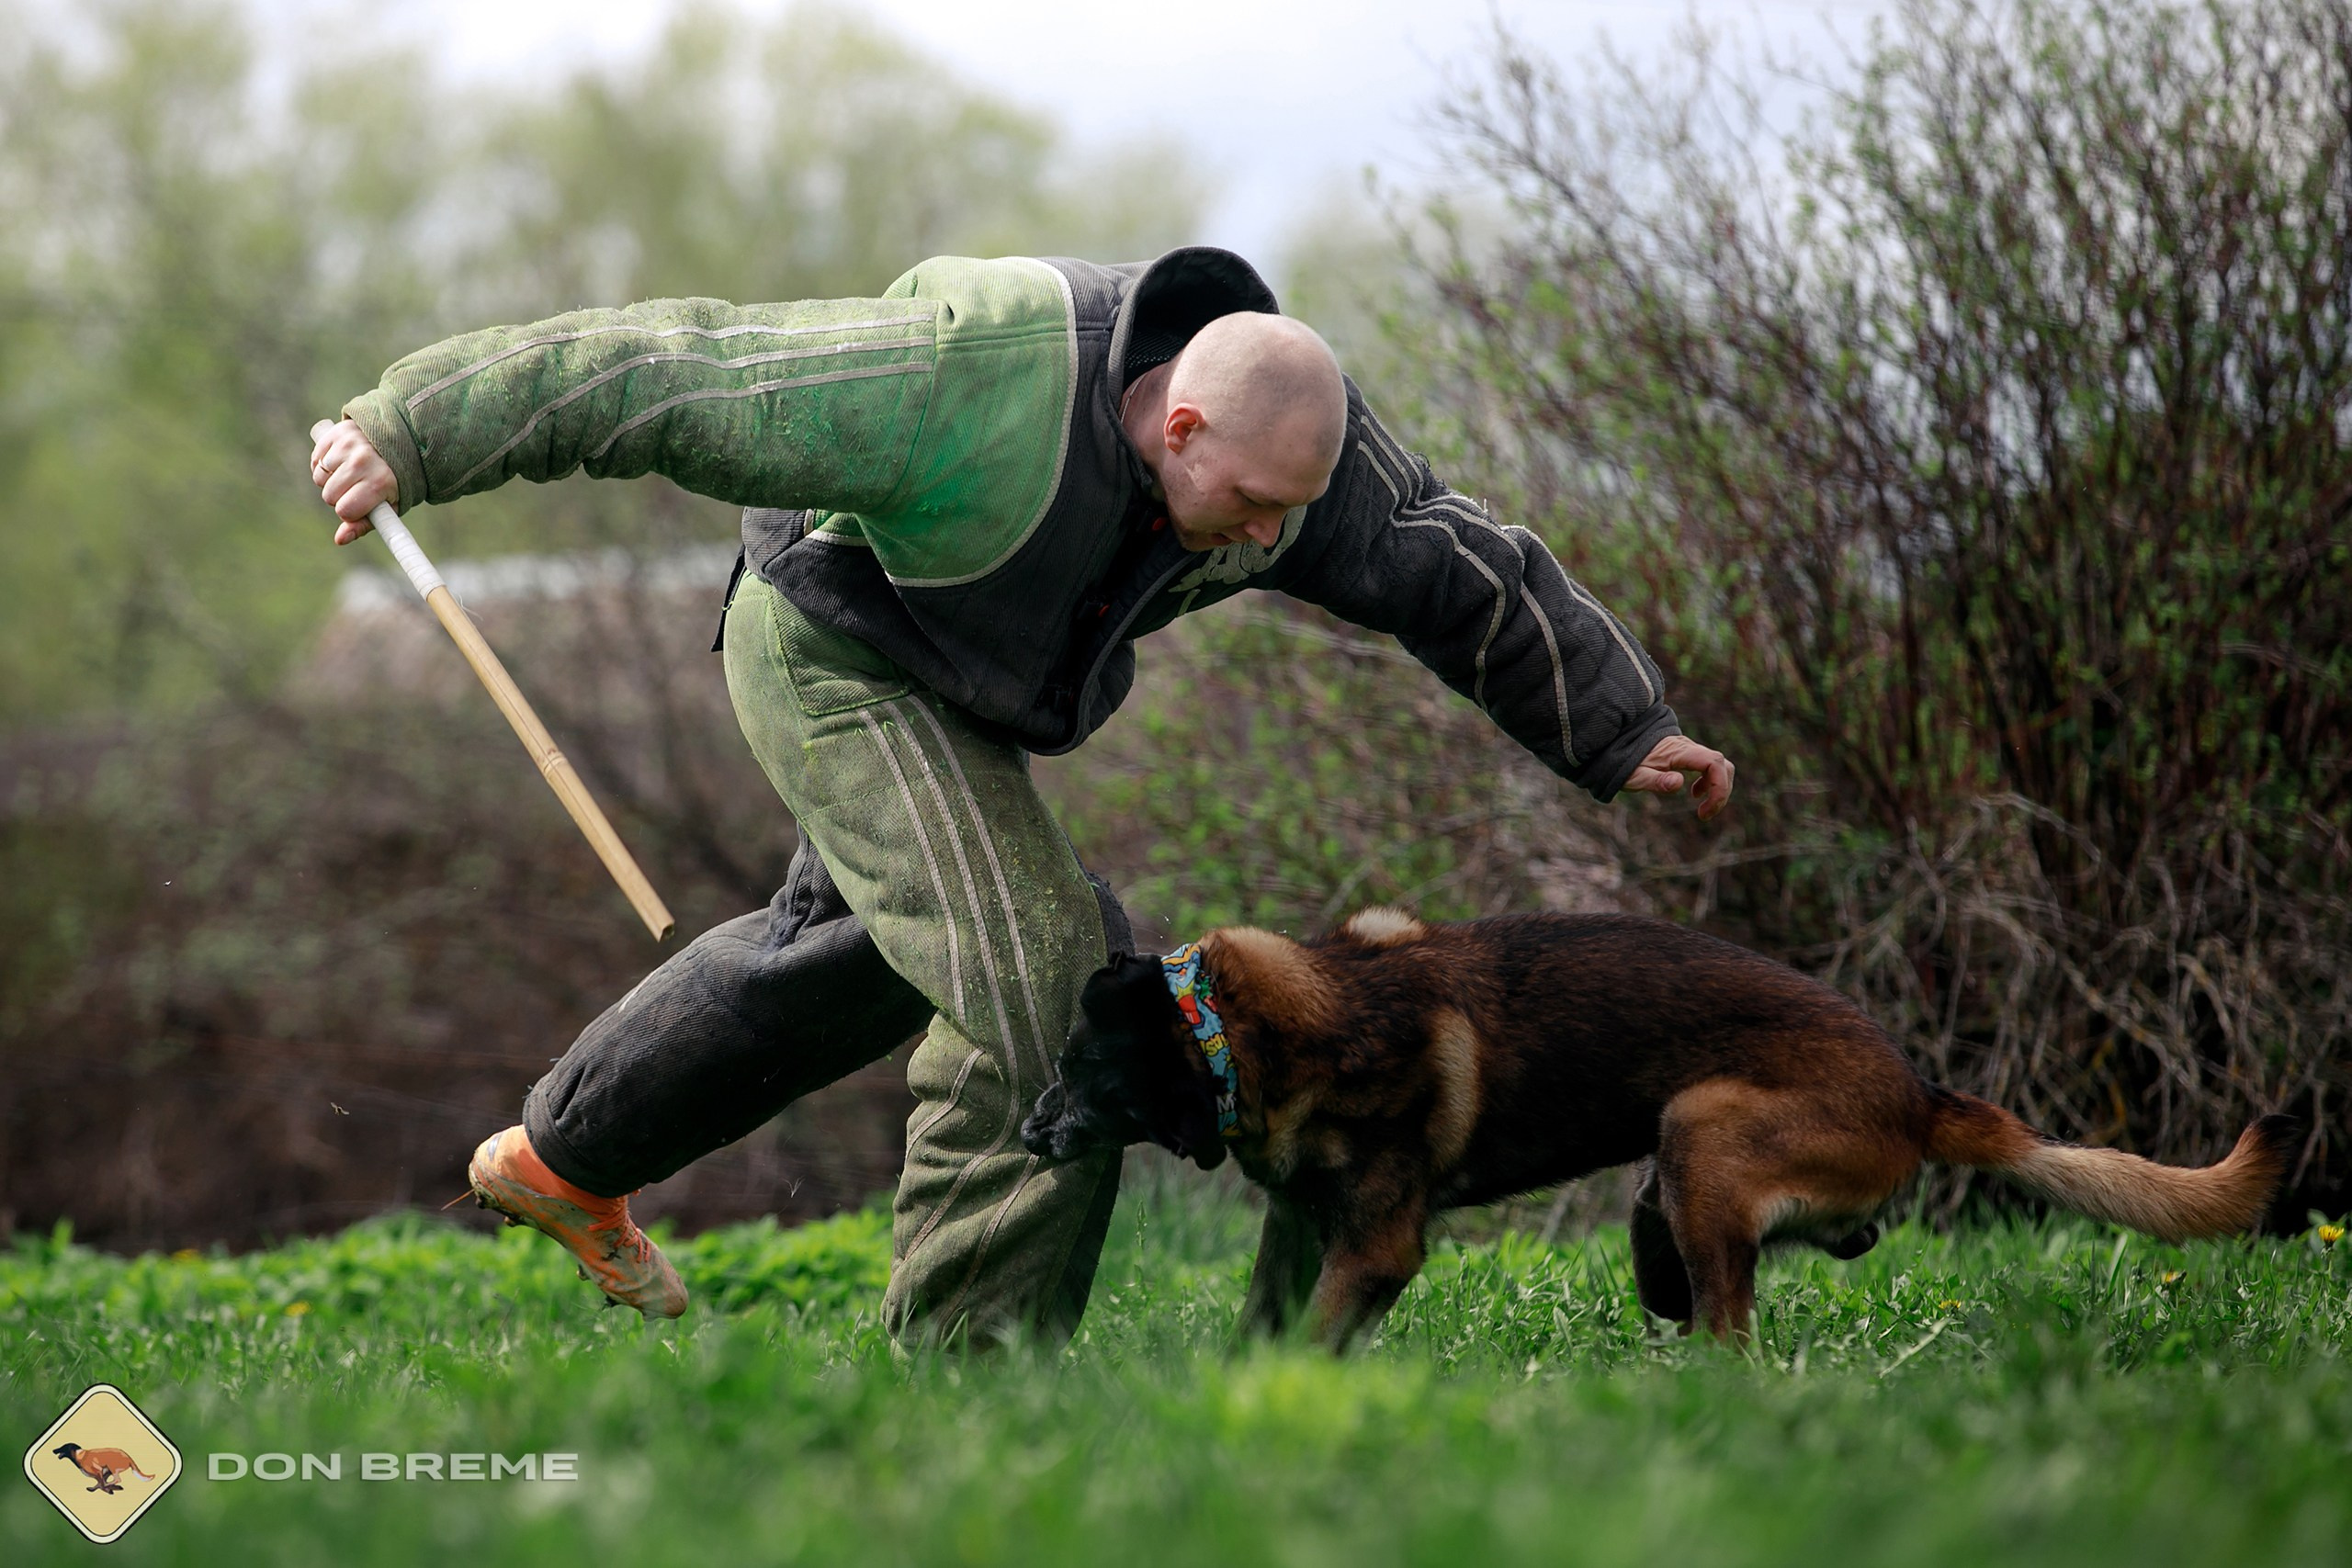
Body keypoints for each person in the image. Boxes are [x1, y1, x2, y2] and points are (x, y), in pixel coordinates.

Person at [309, 246, 1735, 1348]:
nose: (1271, 540)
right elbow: (683, 368)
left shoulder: (1294, 445)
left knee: (867, 956)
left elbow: (1444, 557)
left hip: (969, 701)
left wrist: (1623, 729)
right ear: (1176, 425)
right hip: (834, 656)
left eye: (1290, 516)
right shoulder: (964, 376)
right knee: (1044, 986)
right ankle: (973, 1379)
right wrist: (411, 429)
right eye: (1247, 507)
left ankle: (568, 1158)